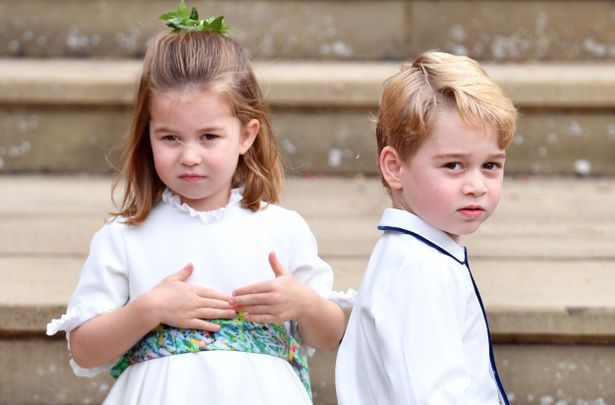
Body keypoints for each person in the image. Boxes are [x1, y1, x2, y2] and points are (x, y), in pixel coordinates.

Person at [46, 3, 345, 404]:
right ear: (147, 135)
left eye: (208, 137)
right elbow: (84, 349)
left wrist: (303, 303)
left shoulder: (282, 228)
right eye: (170, 138)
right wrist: (148, 309)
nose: (189, 155)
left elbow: (328, 335)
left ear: (246, 135)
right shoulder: (125, 237)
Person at [335, 50, 517, 404]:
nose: (476, 185)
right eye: (453, 165)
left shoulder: (420, 255)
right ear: (395, 167)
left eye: (491, 166)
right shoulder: (419, 269)